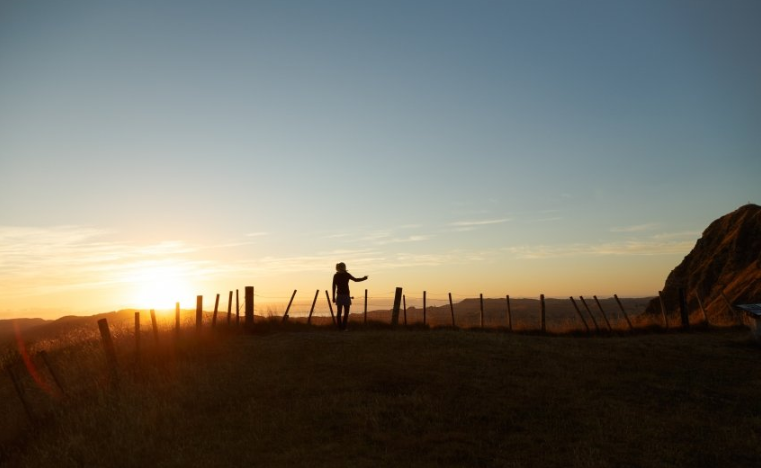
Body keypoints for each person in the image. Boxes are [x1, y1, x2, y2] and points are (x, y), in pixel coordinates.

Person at [332, 262, 368, 330]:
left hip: (339, 295)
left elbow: (333, 287)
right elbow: (356, 280)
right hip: (345, 295)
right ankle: (343, 328)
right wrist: (364, 278)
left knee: (339, 313)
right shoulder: (347, 275)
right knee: (345, 313)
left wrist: (333, 297)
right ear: (344, 267)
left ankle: (340, 328)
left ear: (337, 268)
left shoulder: (336, 276)